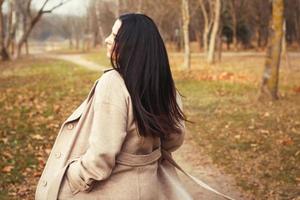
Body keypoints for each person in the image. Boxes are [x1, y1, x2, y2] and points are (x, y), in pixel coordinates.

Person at [35, 13, 234, 200]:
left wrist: (73, 177)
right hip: (150, 188)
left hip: (112, 191)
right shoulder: (162, 83)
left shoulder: (112, 83)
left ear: (131, 45)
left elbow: (101, 157)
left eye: (114, 35)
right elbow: (173, 140)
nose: (106, 39)